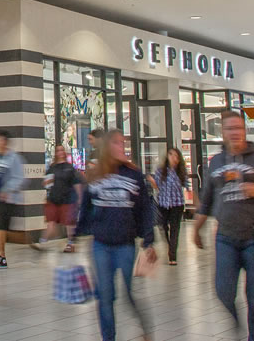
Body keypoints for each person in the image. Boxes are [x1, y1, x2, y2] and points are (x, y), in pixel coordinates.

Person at [192, 110, 254, 341]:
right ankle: (237, 324)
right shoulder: (217, 161)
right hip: (225, 237)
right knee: (223, 291)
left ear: (244, 131)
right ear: (222, 132)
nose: (235, 133)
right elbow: (208, 197)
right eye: (230, 129)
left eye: (238, 128)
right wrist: (196, 228)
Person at [77, 129, 155, 341]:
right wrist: (76, 234)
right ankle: (108, 337)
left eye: (123, 143)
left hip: (125, 244)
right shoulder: (95, 174)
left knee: (131, 293)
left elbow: (145, 208)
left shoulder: (134, 174)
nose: (122, 148)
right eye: (116, 143)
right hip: (101, 244)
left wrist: (148, 239)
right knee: (105, 296)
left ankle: (146, 329)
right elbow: (86, 206)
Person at [31, 145, 83, 252]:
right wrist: (47, 188)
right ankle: (42, 242)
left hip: (67, 199)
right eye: (58, 150)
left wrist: (79, 198)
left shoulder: (69, 168)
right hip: (54, 199)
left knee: (69, 223)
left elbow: (76, 183)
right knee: (51, 222)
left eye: (61, 150)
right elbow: (46, 183)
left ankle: (70, 244)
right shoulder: (52, 168)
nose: (60, 152)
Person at [0, 129, 23, 270]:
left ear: (4, 141)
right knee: (0, 229)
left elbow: (19, 178)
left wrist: (7, 190)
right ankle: (3, 255)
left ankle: (2, 257)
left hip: (8, 199)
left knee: (0, 228)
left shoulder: (13, 158)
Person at [150, 146, 187, 265]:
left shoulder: (180, 172)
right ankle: (170, 245)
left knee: (175, 229)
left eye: (176, 156)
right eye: (171, 155)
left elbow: (186, 186)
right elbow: (157, 186)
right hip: (163, 203)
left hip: (177, 204)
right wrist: (152, 181)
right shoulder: (161, 171)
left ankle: (172, 256)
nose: (173, 158)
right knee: (164, 227)